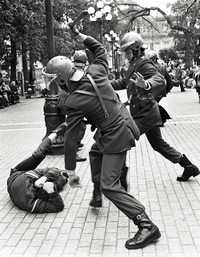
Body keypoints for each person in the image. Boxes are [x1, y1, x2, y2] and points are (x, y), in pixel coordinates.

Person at [43, 26, 161, 249]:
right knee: (95, 152)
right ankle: (102, 192)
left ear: (60, 79)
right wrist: (81, 36)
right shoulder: (97, 69)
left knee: (109, 184)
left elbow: (71, 138)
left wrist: (70, 171)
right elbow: (99, 49)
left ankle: (146, 225)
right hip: (121, 124)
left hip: (116, 135)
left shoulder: (73, 101)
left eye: (53, 80)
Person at [110, 31, 200, 183]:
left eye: (127, 51)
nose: (125, 54)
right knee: (159, 145)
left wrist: (146, 84)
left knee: (122, 138)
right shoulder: (134, 64)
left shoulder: (144, 63)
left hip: (145, 115)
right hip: (145, 113)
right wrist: (104, 85)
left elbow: (159, 79)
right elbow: (124, 82)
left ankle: (120, 179)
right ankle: (189, 166)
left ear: (135, 49)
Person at [7, 123, 69, 213]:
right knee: (58, 179)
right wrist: (50, 188)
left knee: (38, 156)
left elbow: (58, 207)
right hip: (31, 176)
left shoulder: (28, 201)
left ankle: (55, 133)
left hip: (17, 173)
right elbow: (58, 206)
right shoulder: (42, 184)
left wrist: (47, 184)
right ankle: (56, 133)